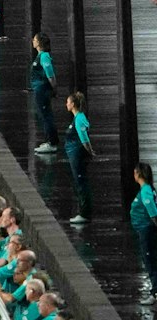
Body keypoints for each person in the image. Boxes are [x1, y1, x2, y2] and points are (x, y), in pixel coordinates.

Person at [65, 90, 96, 224]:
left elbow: (84, 139)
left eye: (67, 102)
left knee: (81, 182)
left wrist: (90, 151)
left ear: (72, 104)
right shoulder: (78, 118)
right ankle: (83, 210)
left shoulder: (79, 119)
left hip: (77, 155)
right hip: (74, 154)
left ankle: (84, 212)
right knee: (79, 182)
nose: (66, 104)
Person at [29, 31, 59, 154]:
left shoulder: (44, 56)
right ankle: (49, 140)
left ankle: (51, 142)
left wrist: (54, 88)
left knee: (46, 115)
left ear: (39, 43)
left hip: (42, 89)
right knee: (43, 115)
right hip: (39, 89)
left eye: (35, 39)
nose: (33, 41)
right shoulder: (40, 56)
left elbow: (50, 74)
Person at [131, 161, 157, 302]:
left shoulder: (145, 191)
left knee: (150, 261)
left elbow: (152, 211)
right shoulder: (148, 189)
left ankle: (155, 291)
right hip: (145, 230)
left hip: (146, 231)